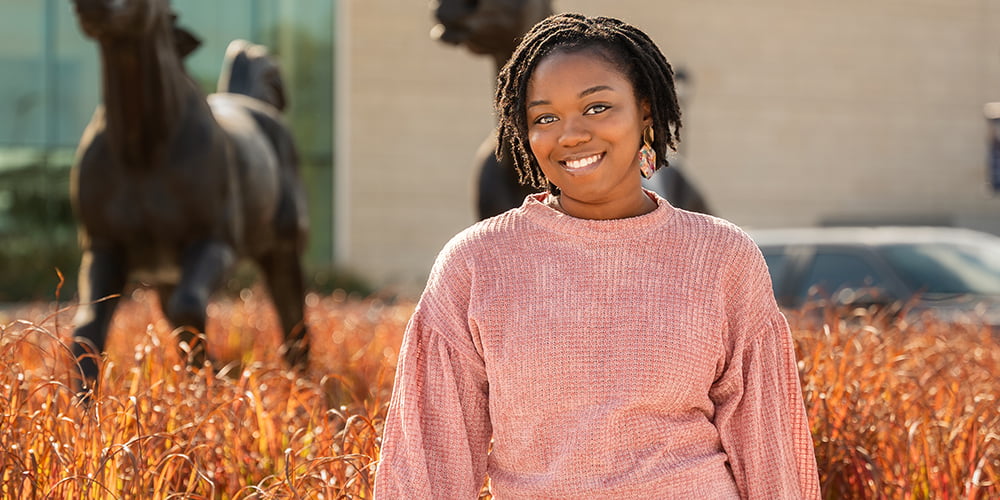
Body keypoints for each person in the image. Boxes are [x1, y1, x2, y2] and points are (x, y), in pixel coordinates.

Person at [375, 13, 820, 499]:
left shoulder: (722, 258)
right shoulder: (475, 265)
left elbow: (771, 450)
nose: (569, 134)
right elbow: (426, 461)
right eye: (544, 117)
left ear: (645, 112)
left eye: (597, 107)